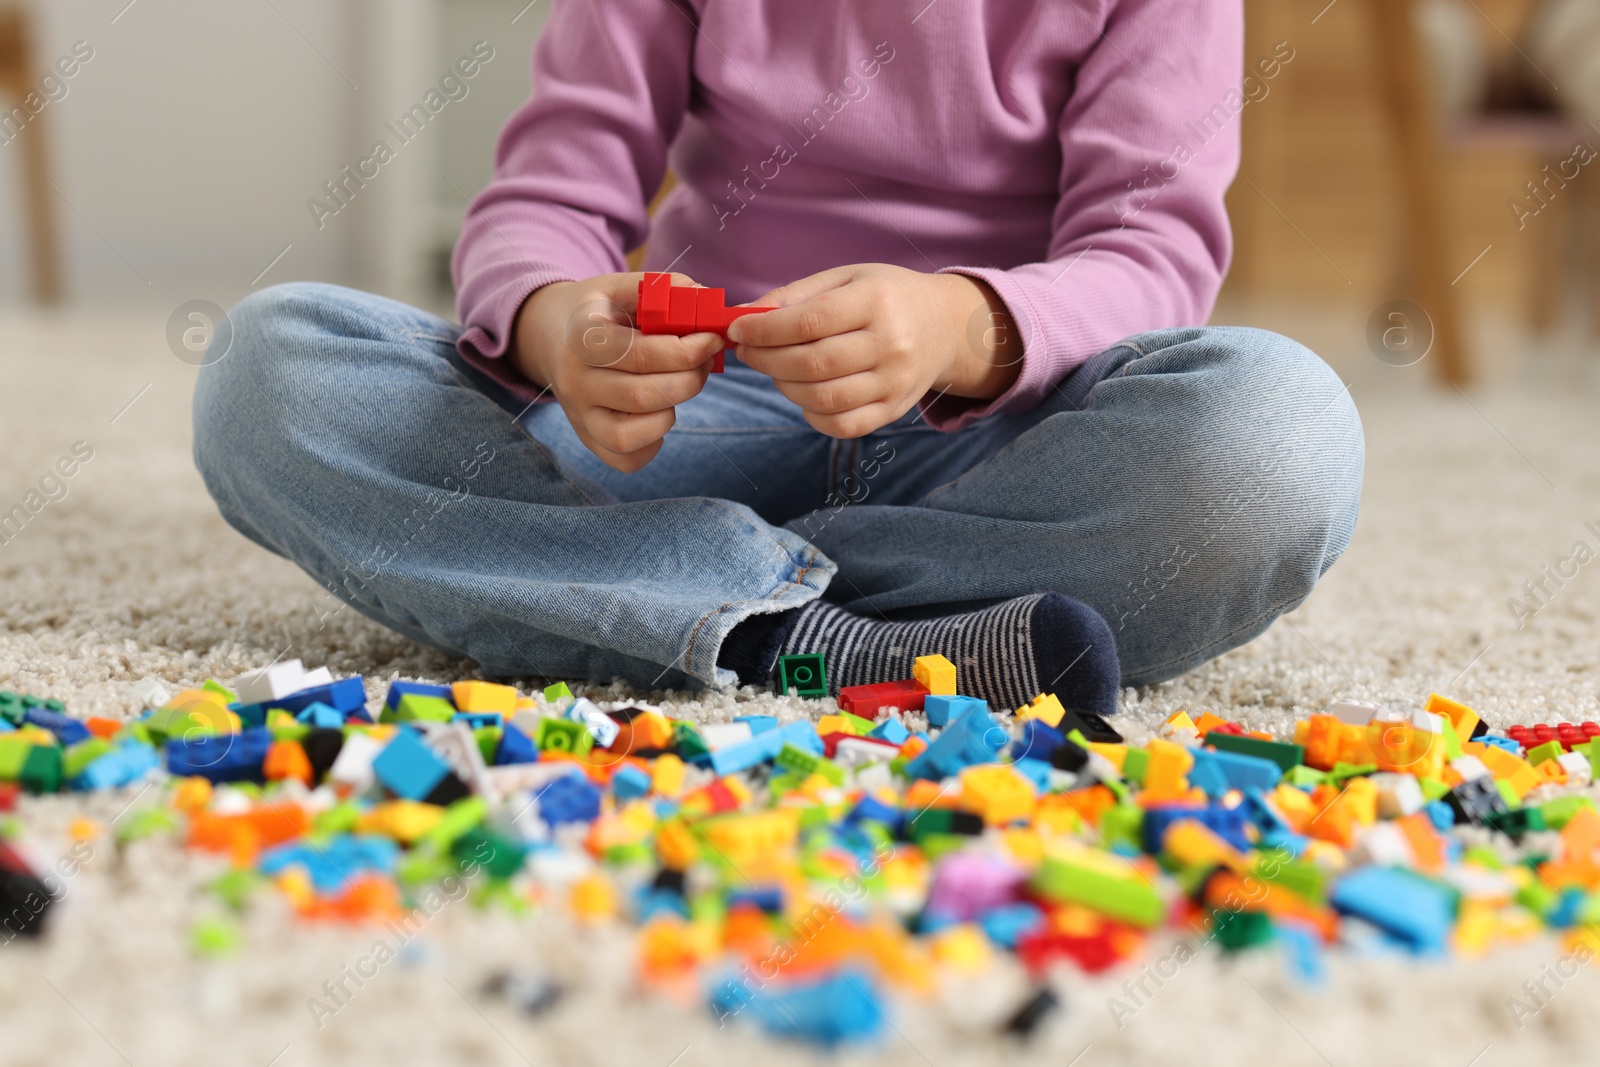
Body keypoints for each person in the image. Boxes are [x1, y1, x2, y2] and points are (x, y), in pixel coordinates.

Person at [192, 1, 1363, 717]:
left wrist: (962, 326)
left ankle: (679, 608)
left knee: (1282, 436)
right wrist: (561, 329)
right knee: (270, 370)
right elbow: (549, 195)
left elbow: (1149, 255)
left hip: (998, 452)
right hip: (697, 424)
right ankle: (830, 638)